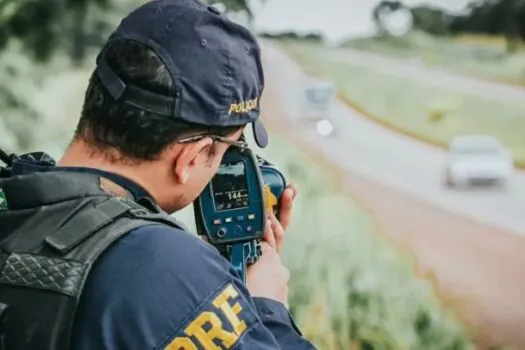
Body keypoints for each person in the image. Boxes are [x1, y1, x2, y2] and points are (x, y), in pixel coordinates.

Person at [0, 0, 317, 349]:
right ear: (190, 157)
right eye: (231, 148)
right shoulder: (166, 270)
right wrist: (266, 307)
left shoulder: (15, 202)